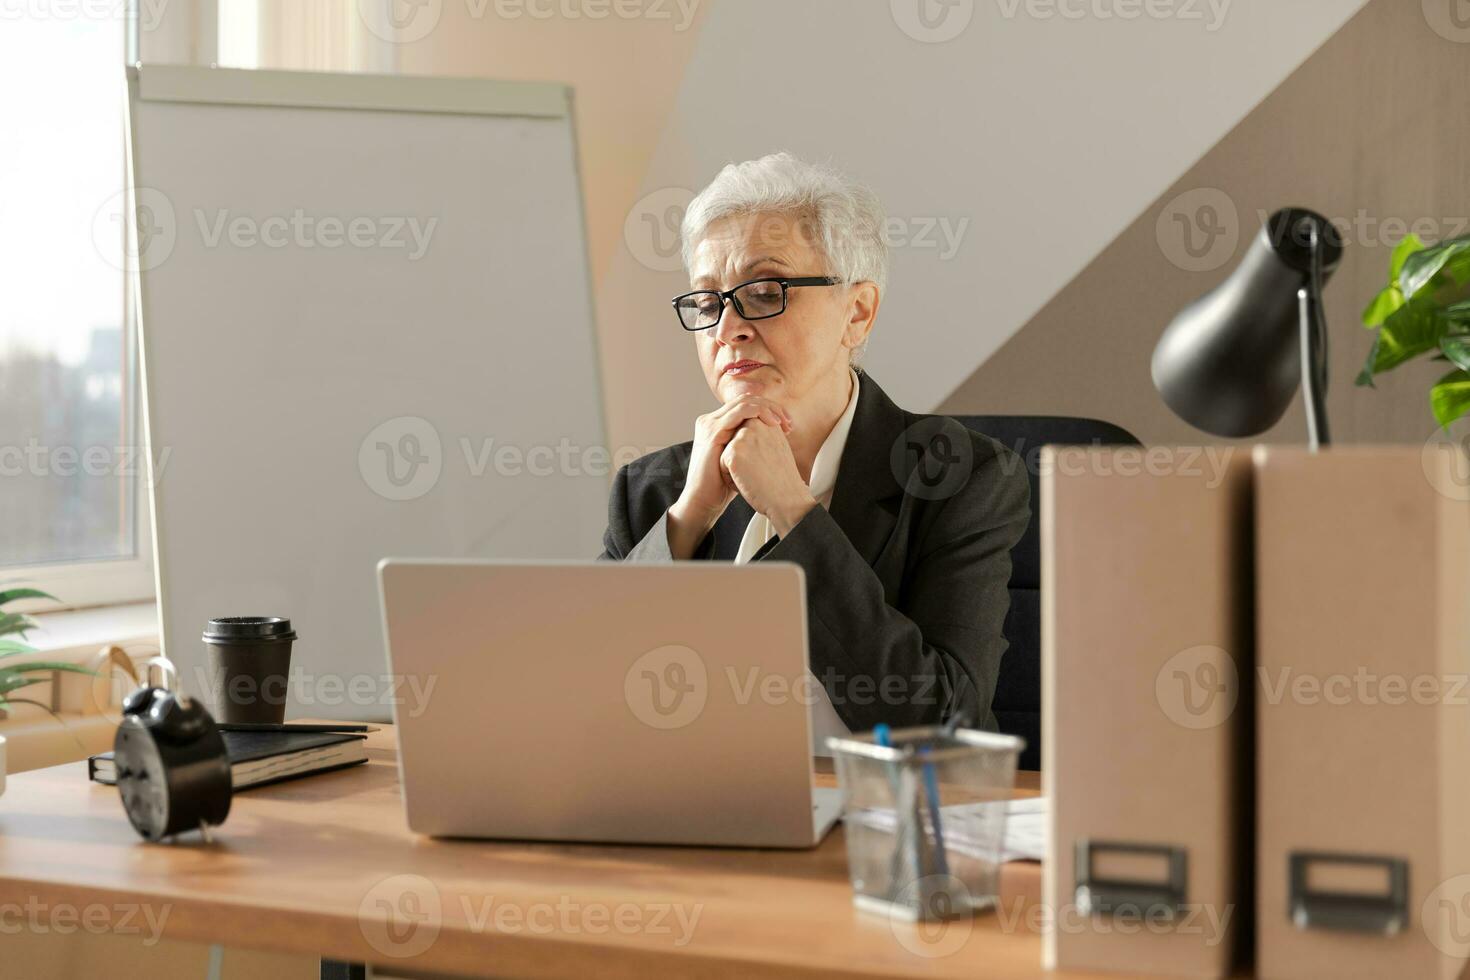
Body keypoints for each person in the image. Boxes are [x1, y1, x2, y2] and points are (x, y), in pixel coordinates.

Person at [600, 152, 1029, 739]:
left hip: (878, 818)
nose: (728, 329)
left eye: (764, 290)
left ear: (857, 312)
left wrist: (794, 513)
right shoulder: (654, 491)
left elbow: (942, 726)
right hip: (699, 815)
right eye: (707, 301)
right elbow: (592, 707)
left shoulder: (965, 478)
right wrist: (691, 517)